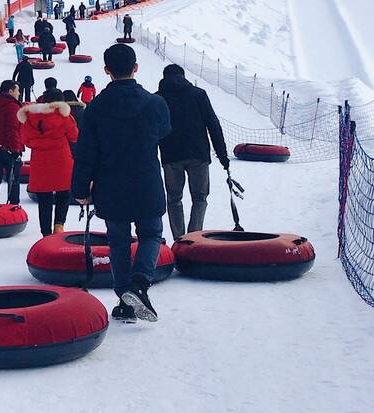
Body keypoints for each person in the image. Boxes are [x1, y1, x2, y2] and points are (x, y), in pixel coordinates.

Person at [71, 44, 171, 323]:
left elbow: (86, 152)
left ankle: (125, 298)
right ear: (136, 67)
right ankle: (140, 283)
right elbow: (164, 133)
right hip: (147, 181)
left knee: (118, 241)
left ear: (106, 71)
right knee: (151, 234)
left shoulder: (96, 107)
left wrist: (80, 190)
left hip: (110, 185)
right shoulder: (156, 103)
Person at [156, 64, 228, 237]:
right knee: (200, 198)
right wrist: (222, 155)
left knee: (174, 199)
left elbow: (151, 130)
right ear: (183, 76)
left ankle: (179, 239)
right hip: (198, 155)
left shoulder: (158, 99)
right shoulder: (198, 95)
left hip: (171, 156)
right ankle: (194, 238)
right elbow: (213, 125)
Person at [19, 88, 79, 236]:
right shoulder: (65, 117)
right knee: (63, 194)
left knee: (44, 199)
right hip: (62, 161)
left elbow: (26, 140)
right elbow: (74, 136)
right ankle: (59, 226)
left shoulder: (30, 118)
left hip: (40, 162)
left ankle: (45, 233)